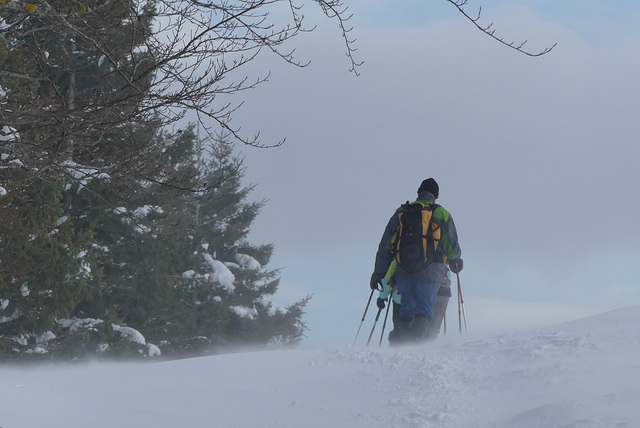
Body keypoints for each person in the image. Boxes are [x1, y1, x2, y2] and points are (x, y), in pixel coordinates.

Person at [370, 178, 462, 344]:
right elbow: (452, 249)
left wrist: (378, 273)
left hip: (404, 270)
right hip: (432, 273)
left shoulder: (401, 212)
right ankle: (416, 351)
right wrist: (456, 260)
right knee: (424, 312)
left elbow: (385, 246)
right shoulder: (442, 213)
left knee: (406, 311)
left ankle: (400, 350)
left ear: (418, 192)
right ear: (436, 195)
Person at [377, 260, 452, 344]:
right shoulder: (439, 250)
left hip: (403, 296)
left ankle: (400, 351)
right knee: (431, 331)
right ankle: (424, 351)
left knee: (402, 330)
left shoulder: (403, 250)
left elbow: (388, 277)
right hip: (441, 292)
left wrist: (382, 297)